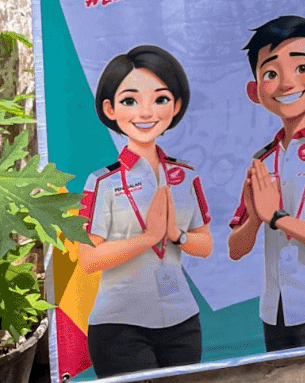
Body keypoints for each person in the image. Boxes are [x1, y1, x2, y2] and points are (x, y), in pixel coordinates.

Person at [78, 45, 212, 378]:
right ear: (110, 109)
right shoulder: (101, 181)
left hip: (182, 321)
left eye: (161, 99)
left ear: (176, 105)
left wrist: (175, 235)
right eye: (129, 100)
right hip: (120, 326)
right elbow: (88, 259)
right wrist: (148, 237)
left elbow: (205, 245)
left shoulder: (186, 174)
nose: (145, 112)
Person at [228, 15, 305, 352]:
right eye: (271, 73)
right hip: (273, 306)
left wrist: (277, 217)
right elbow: (235, 249)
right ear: (255, 91)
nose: (286, 84)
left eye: (301, 68)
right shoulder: (262, 160)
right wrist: (255, 219)